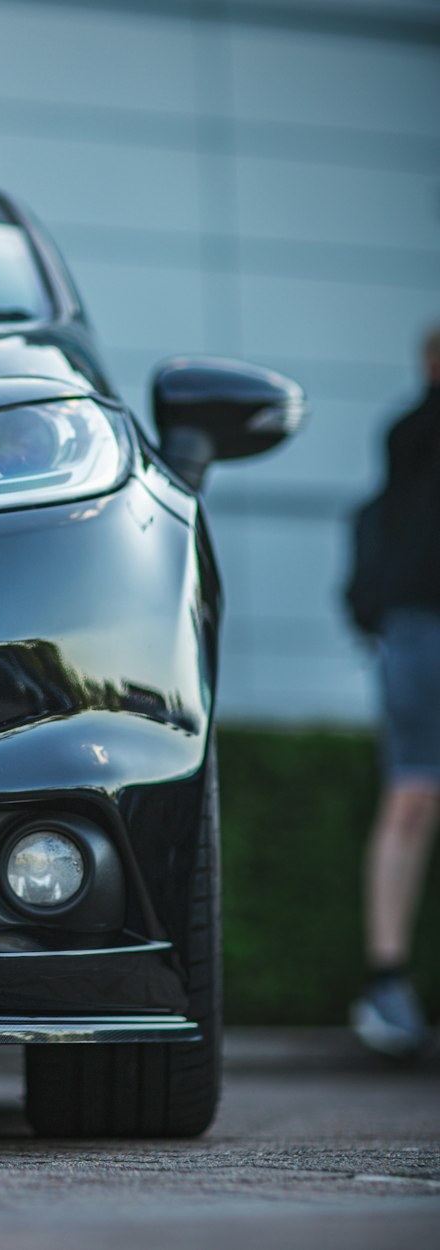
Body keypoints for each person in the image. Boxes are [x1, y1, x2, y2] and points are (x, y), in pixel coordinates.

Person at [350, 324, 440, 1059]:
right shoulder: (414, 436)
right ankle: (387, 982)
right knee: (413, 797)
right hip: (419, 629)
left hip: (411, 627)